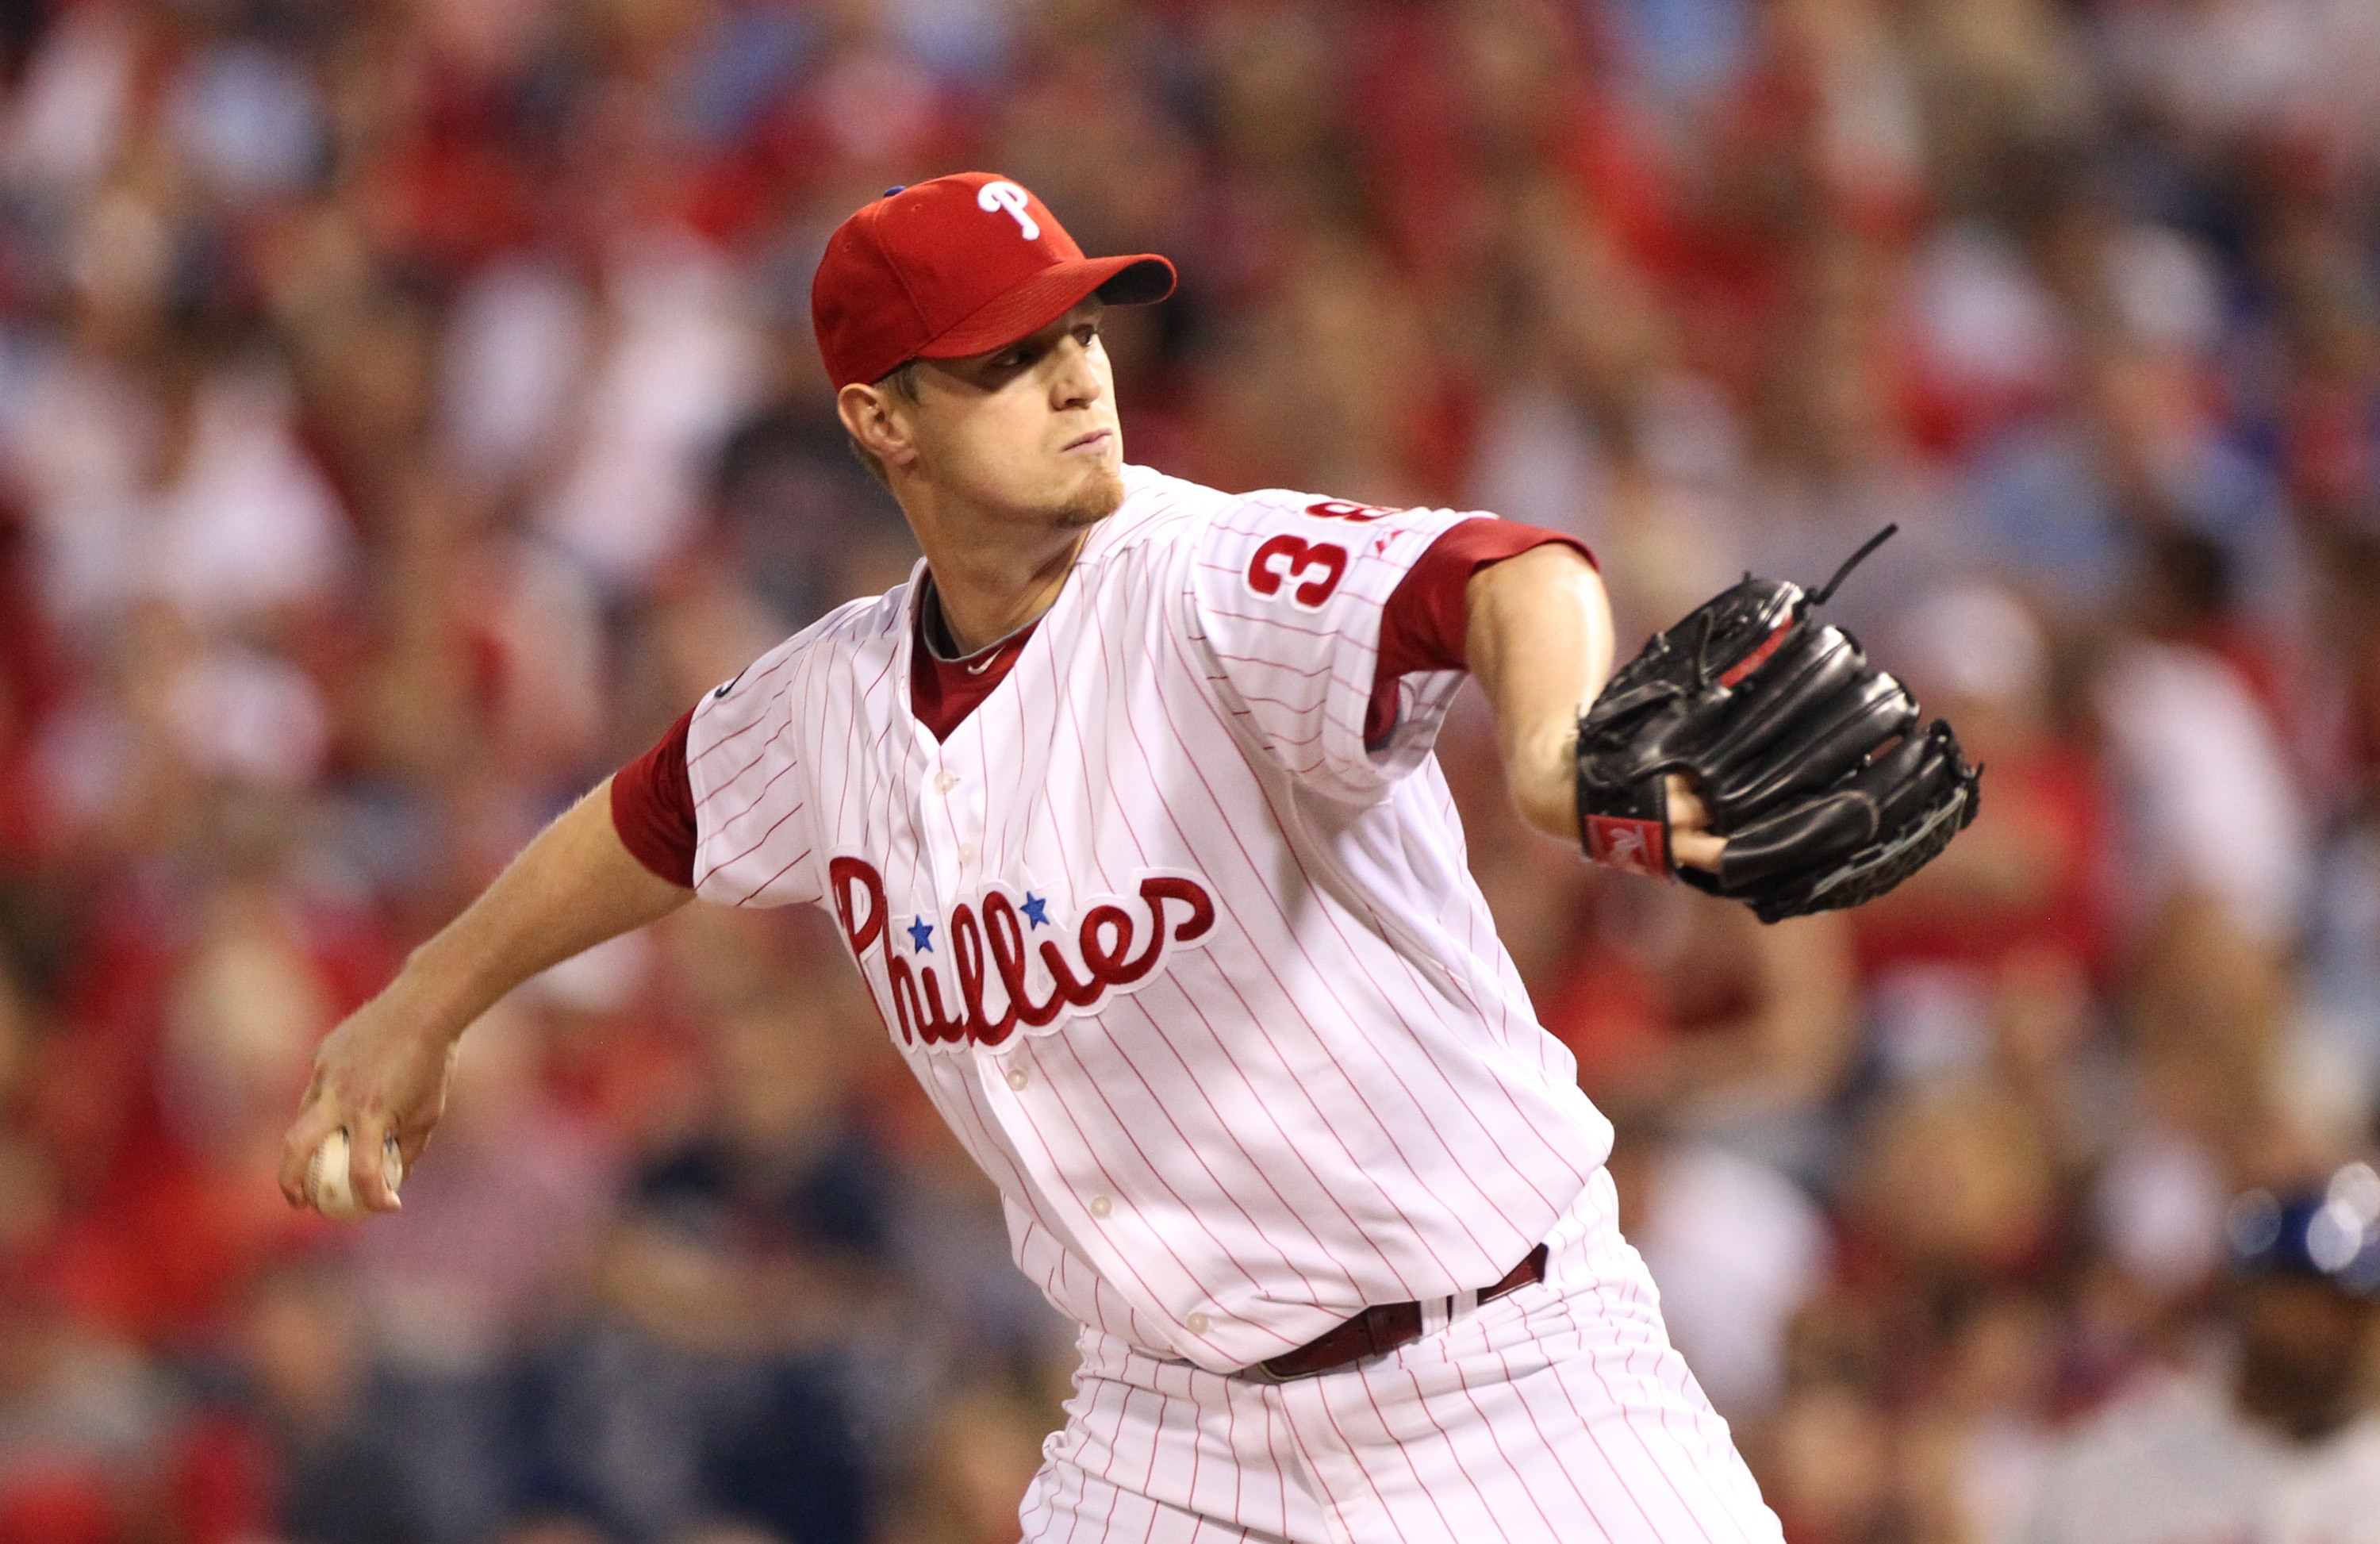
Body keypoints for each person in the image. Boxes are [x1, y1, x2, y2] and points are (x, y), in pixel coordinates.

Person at [281, 172, 1779, 1542]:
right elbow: (654, 818)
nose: (1076, 377)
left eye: (1081, 332)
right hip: (1168, 1431)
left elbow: (1505, 571)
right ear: (881, 420)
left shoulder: (1204, 577)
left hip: (1504, 1376)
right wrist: (428, 1000)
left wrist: (1552, 746)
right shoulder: (834, 699)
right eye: (1008, 357)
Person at [2028, 1168, 2380, 1544]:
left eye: (2351, 1311)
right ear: (2243, 1299)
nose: (2323, 1329)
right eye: (2300, 1300)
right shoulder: (2110, 1469)